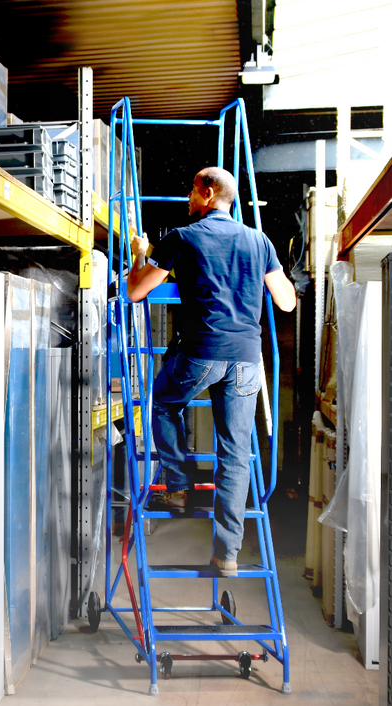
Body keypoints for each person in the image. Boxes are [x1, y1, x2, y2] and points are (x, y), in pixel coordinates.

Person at [126, 166, 296, 576]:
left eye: (191, 190)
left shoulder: (181, 238)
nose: (187, 198)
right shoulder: (260, 241)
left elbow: (135, 291)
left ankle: (178, 488)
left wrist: (138, 254)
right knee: (235, 453)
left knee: (163, 404)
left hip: (201, 353)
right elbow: (287, 302)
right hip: (246, 359)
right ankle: (227, 555)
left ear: (207, 192)